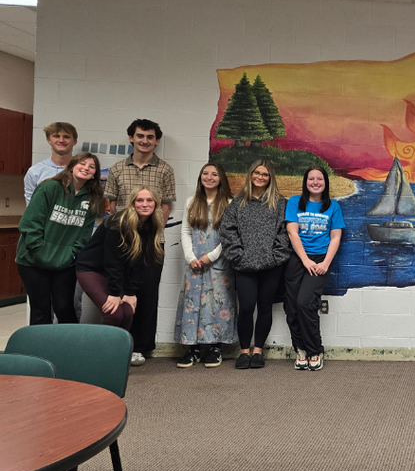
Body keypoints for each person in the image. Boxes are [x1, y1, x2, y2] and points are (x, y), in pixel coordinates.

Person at [104, 119, 176, 364]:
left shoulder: (165, 169)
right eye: (140, 136)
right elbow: (112, 206)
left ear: (156, 141)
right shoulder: (117, 169)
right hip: (122, 241)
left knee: (146, 293)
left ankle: (141, 346)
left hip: (152, 242)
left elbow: (166, 205)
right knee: (120, 290)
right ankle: (119, 343)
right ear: (131, 138)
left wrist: (152, 231)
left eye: (150, 137)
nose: (145, 141)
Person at [16, 152, 104, 324]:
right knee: (41, 309)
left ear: (94, 174)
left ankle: (68, 348)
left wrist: (72, 254)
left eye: (91, 167)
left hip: (64, 262)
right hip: (32, 261)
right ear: (71, 166)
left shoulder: (92, 198)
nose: (86, 168)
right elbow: (30, 224)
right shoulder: (50, 187)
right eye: (82, 163)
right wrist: (40, 251)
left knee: (64, 307)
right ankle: (40, 350)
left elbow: (84, 234)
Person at [220, 159, 290, 370]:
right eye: (257, 173)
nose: (260, 177)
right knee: (247, 308)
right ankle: (244, 351)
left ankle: (258, 350)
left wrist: (275, 257)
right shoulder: (238, 203)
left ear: (271, 178)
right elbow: (227, 231)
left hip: (271, 266)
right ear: (251, 175)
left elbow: (286, 233)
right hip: (244, 265)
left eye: (265, 174)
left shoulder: (280, 203)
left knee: (265, 307)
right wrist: (238, 256)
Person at [76, 187, 163, 340]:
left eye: (149, 200)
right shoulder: (118, 222)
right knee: (114, 314)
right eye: (139, 200)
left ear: (155, 204)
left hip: (112, 271)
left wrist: (130, 293)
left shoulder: (150, 225)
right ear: (132, 203)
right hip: (91, 269)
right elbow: (112, 261)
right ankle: (97, 353)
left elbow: (138, 263)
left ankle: (119, 354)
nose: (145, 204)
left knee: (128, 312)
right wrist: (115, 293)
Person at [175, 163, 236, 369]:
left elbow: (229, 236)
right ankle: (192, 349)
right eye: (205, 173)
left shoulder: (229, 203)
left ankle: (215, 348)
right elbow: (185, 231)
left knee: (217, 304)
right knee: (193, 303)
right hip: (194, 263)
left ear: (221, 178)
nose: (209, 177)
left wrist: (211, 256)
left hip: (218, 262)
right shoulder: (192, 201)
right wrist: (190, 256)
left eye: (214, 174)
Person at [284, 167, 344, 371]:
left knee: (305, 303)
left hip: (320, 259)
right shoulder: (295, 202)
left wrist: (325, 263)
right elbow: (293, 233)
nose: (315, 182)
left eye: (320, 179)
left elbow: (336, 237)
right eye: (311, 178)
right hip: (298, 258)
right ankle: (300, 348)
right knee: (291, 306)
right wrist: (305, 260)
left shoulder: (333, 207)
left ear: (325, 182)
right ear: (306, 181)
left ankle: (315, 350)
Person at [24, 121, 78, 203]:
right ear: (49, 140)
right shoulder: (35, 172)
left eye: (66, 137)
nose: (61, 140)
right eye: (56, 136)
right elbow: (31, 208)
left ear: (74, 141)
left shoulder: (84, 170)